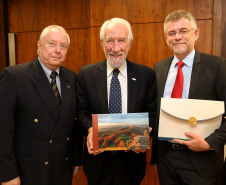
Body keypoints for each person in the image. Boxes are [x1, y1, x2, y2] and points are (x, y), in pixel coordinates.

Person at [0, 25, 83, 185]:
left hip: (62, 169)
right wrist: (7, 173)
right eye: (52, 44)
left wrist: (76, 158)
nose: (58, 50)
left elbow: (74, 124)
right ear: (39, 45)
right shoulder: (14, 76)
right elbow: (3, 129)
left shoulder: (72, 78)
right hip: (28, 171)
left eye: (63, 46)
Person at [77, 18, 156, 185]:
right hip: (98, 163)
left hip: (132, 163)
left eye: (121, 40)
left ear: (130, 43)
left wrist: (146, 134)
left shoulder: (145, 75)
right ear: (102, 43)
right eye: (110, 41)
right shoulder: (86, 74)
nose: (116, 48)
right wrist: (91, 130)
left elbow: (152, 114)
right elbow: (81, 113)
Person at [151, 10, 226, 185]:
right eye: (172, 33)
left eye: (183, 31)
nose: (177, 37)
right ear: (166, 38)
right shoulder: (159, 68)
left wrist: (209, 143)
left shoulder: (218, 66)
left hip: (201, 161)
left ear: (196, 33)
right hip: (166, 158)